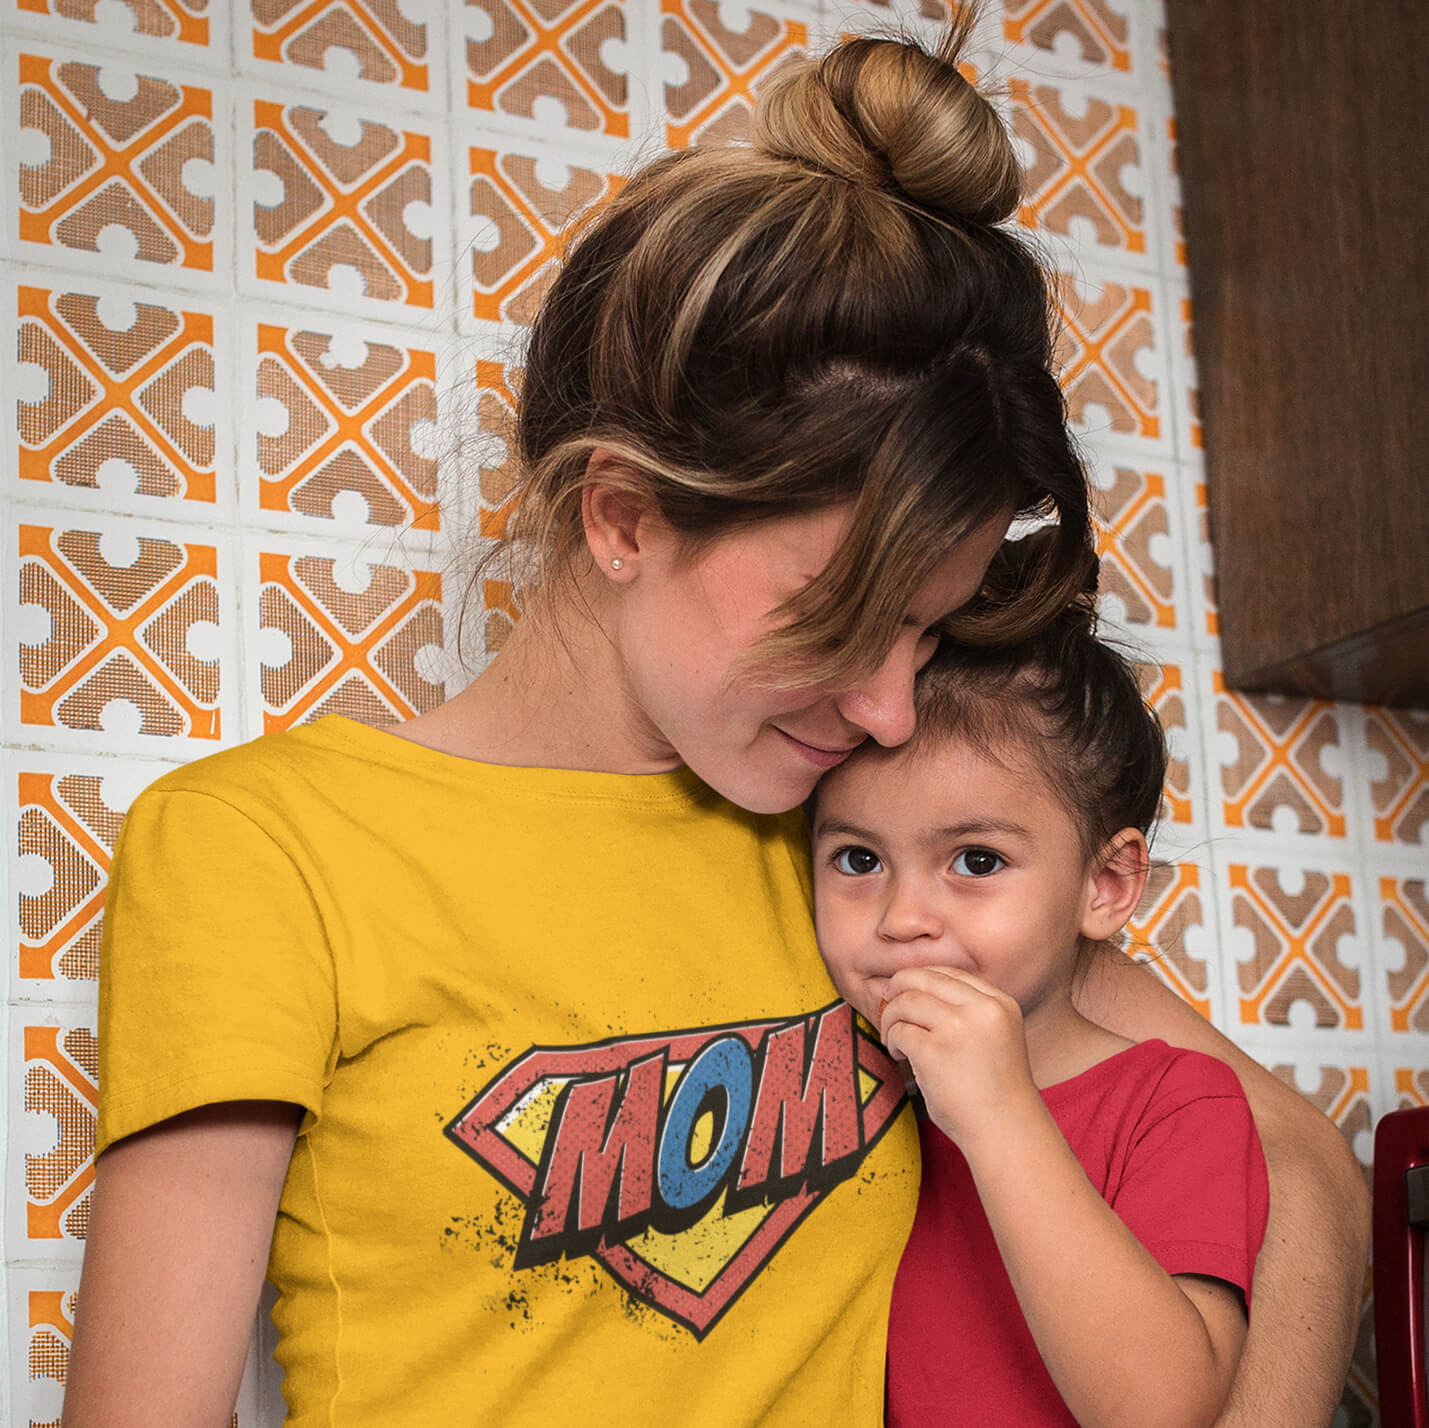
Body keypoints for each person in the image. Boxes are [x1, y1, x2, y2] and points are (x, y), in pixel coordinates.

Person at [64, 15, 1366, 1428]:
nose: (889, 704)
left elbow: (1299, 1161)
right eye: (843, 618)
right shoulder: (267, 844)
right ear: (624, 517)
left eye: (925, 630)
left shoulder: (871, 843)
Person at [810, 549, 1269, 1426]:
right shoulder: (843, 1090)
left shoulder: (1177, 1103)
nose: (902, 918)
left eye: (977, 861)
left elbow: (1161, 1411)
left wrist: (998, 1116)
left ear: (1105, 885)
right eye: (858, 860)